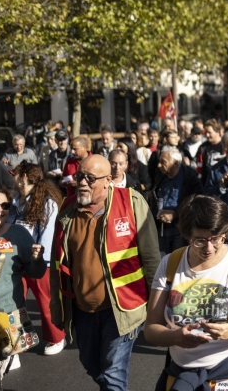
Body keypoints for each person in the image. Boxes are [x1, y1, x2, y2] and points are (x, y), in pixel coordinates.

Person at [50, 155, 160, 390]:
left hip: (122, 309)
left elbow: (151, 258)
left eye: (90, 178)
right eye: (80, 176)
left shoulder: (132, 202)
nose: (82, 182)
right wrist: (56, 310)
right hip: (82, 310)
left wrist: (157, 306)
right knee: (91, 365)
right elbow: (56, 264)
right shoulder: (67, 210)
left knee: (113, 375)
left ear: (108, 180)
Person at [144, 195, 228, 391]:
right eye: (199, 240)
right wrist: (176, 336)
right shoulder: (170, 263)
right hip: (183, 375)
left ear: (225, 233)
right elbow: (151, 329)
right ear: (187, 235)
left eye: (216, 239)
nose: (208, 247)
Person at [0, 185, 46, 383]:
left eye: (5, 205)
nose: (0, 209)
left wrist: (37, 260)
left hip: (4, 320)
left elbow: (35, 273)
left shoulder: (19, 234)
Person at [7, 162, 67, 354]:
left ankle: (57, 337)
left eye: (14, 174)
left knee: (46, 301)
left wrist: (40, 259)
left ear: (23, 176)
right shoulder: (15, 200)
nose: (12, 178)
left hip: (38, 261)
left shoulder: (47, 202)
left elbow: (48, 236)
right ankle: (16, 342)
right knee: (13, 302)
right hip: (14, 259)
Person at [152, 147, 203, 256]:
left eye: (163, 162)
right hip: (161, 227)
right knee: (163, 260)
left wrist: (176, 214)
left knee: (179, 259)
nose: (159, 165)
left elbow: (196, 200)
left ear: (175, 163)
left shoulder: (189, 177)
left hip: (180, 228)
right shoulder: (161, 175)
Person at [195, 119, 225, 184]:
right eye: (206, 132)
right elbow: (199, 167)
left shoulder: (225, 146)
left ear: (217, 131)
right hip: (206, 184)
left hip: (222, 182)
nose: (207, 135)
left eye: (209, 132)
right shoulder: (203, 147)